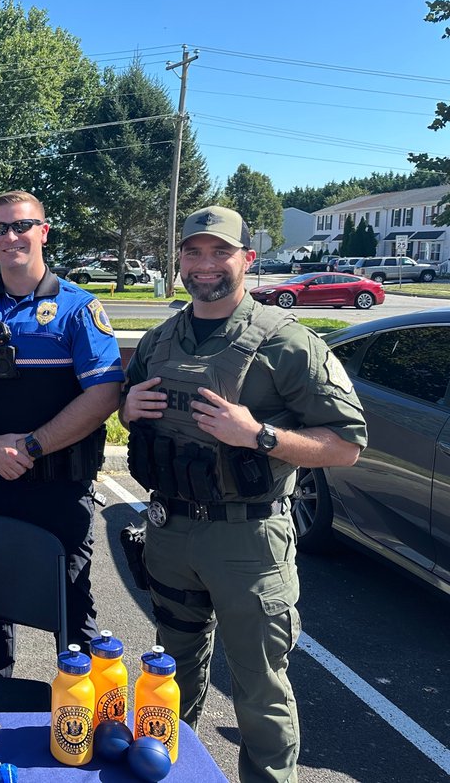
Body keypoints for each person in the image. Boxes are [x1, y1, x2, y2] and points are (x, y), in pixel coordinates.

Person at [120, 205, 366, 783]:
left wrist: (259, 435)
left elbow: (346, 445)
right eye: (193, 252)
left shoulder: (289, 343)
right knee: (167, 679)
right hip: (170, 532)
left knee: (259, 690)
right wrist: (126, 410)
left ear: (248, 259)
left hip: (248, 541)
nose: (205, 264)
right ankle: (171, 772)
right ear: (179, 259)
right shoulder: (159, 339)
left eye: (220, 252)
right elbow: (135, 412)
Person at [0, 190, 123, 670]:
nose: (10, 237)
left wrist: (32, 447)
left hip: (61, 483)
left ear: (44, 232)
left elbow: (104, 394)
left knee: (71, 603)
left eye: (21, 226)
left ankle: (78, 706)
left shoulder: (79, 308)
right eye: (0, 229)